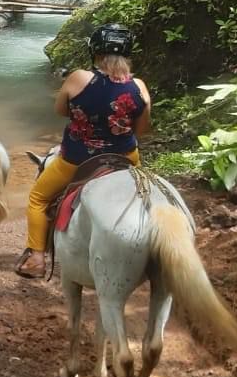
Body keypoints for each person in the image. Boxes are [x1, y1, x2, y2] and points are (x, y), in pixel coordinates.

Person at [15, 25, 151, 278]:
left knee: (38, 199)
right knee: (145, 196)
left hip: (77, 159)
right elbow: (141, 130)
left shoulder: (78, 78)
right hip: (125, 158)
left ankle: (36, 258)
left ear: (95, 52)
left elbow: (60, 110)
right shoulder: (139, 86)